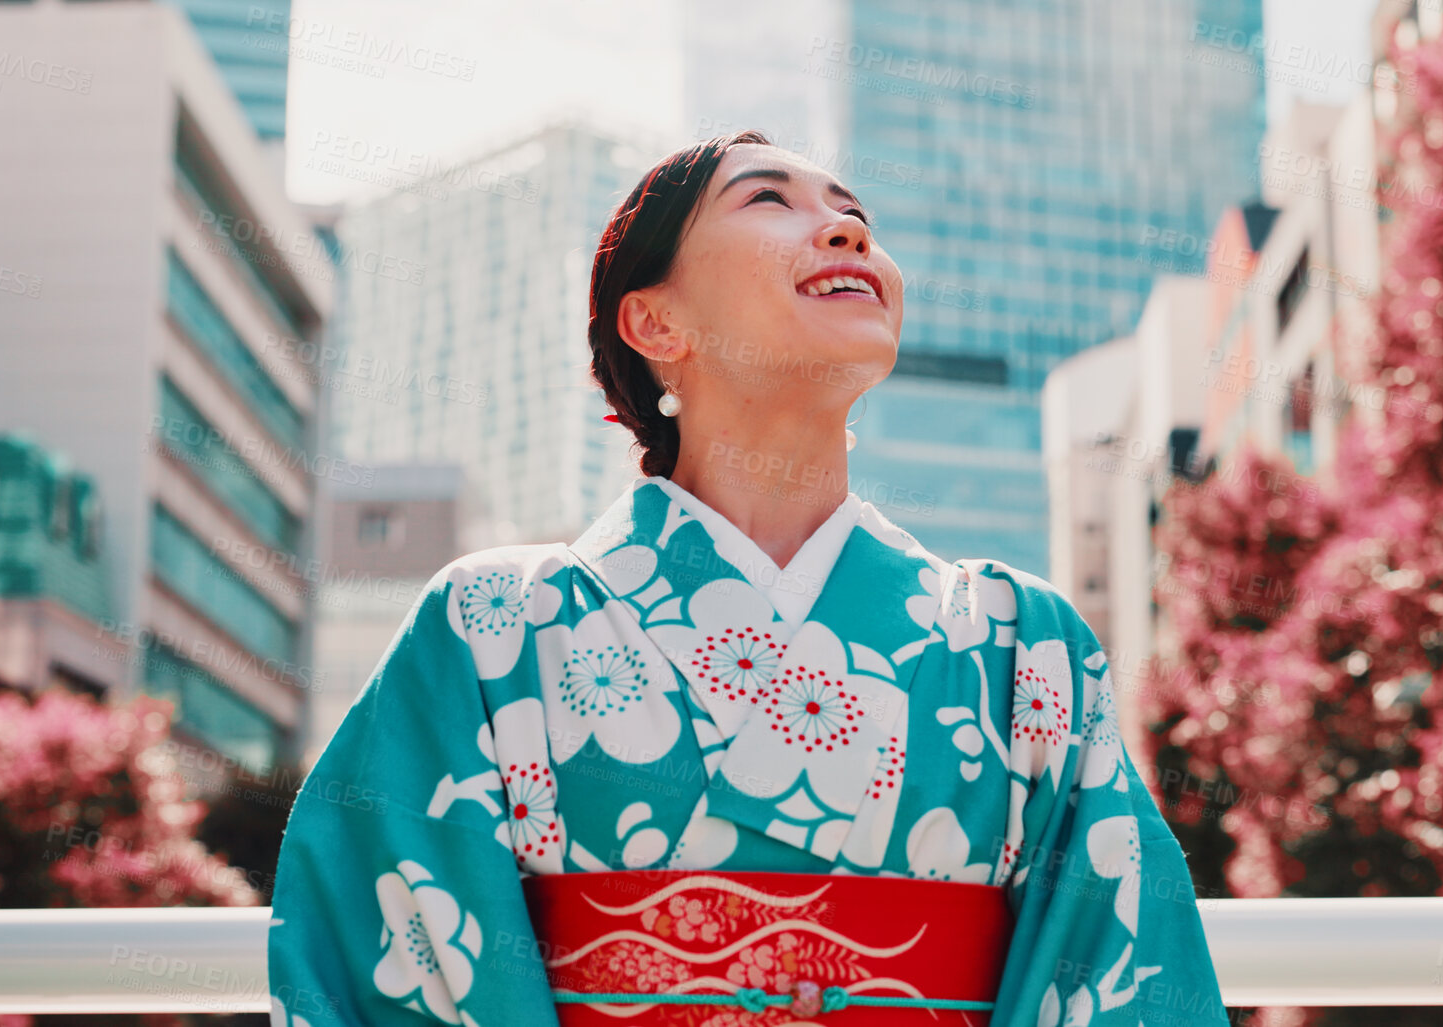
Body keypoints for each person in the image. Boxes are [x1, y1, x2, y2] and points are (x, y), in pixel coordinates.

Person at [266, 130, 1230, 1027]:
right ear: (653, 320)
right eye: (768, 199)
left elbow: (1119, 960)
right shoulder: (490, 626)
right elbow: (386, 932)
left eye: (855, 214)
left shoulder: (1025, 642)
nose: (845, 227)